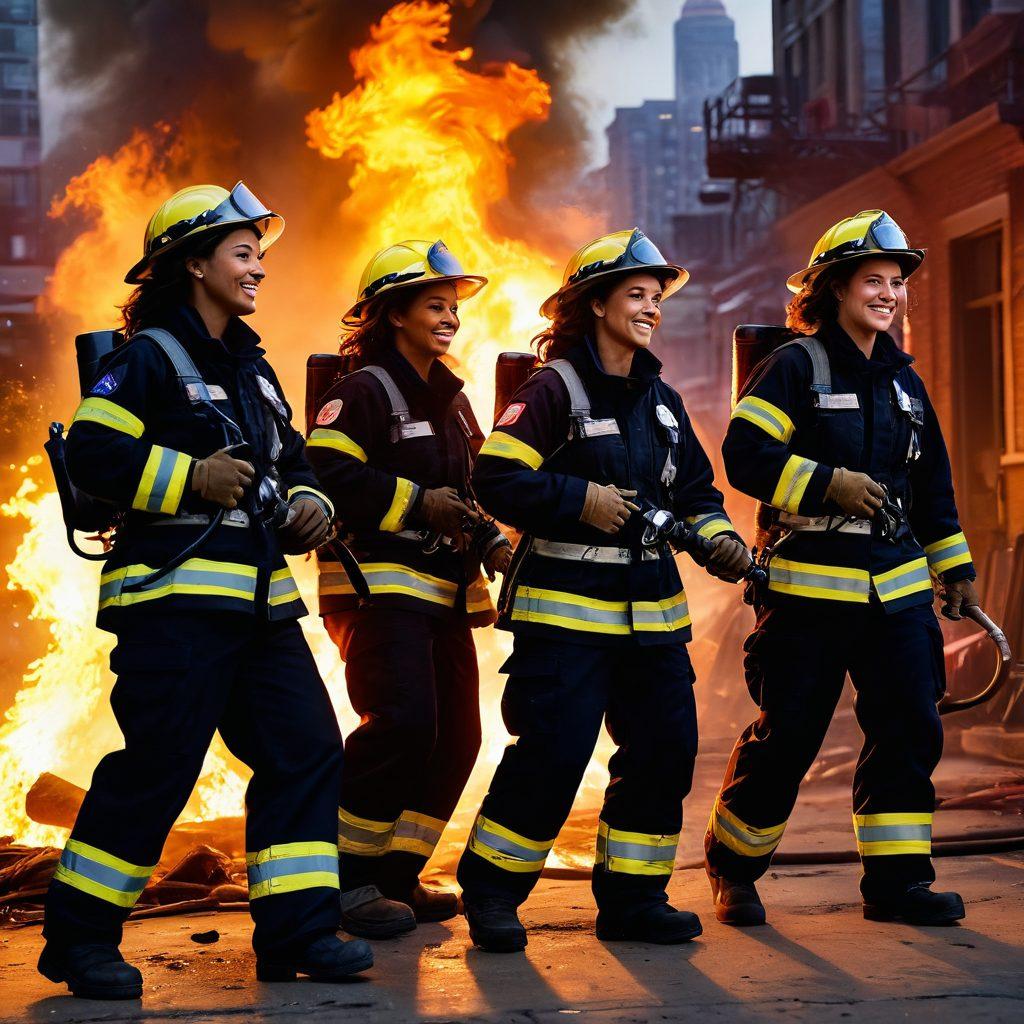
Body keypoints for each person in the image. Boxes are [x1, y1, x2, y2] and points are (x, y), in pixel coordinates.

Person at [40, 183, 372, 999]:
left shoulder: (254, 374)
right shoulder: (147, 359)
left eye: (259, 251)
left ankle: (298, 932)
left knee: (305, 750)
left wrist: (310, 507)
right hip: (175, 608)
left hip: (260, 611)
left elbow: (297, 465)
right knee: (158, 767)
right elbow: (92, 454)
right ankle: (77, 942)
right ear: (192, 263)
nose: (258, 266)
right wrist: (191, 475)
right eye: (241, 251)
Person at [454, 228, 751, 952]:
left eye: (657, 298)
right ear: (594, 305)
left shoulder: (663, 400)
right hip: (565, 621)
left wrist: (716, 533)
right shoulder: (552, 390)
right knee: (552, 755)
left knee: (665, 750)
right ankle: (493, 892)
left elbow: (699, 491)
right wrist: (578, 499)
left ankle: (633, 900)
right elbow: (495, 478)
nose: (652, 308)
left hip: (652, 620)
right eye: (637, 295)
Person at [704, 210, 978, 928]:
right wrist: (828, 483)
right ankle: (733, 869)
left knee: (908, 731)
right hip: (807, 600)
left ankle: (897, 886)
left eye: (896, 283)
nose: (888, 294)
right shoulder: (794, 367)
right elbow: (745, 457)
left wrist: (954, 569)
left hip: (897, 596)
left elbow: (934, 487)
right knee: (789, 737)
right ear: (833, 289)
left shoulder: (904, 385)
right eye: (872, 281)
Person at [305, 240, 511, 939]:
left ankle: (396, 874)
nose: (450, 315)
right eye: (435, 304)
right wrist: (418, 505)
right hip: (376, 592)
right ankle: (342, 880)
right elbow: (326, 478)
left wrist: (493, 542)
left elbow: (472, 490)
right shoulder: (360, 392)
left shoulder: (453, 403)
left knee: (457, 739)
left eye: (454, 305)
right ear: (392, 313)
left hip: (446, 595)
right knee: (402, 725)